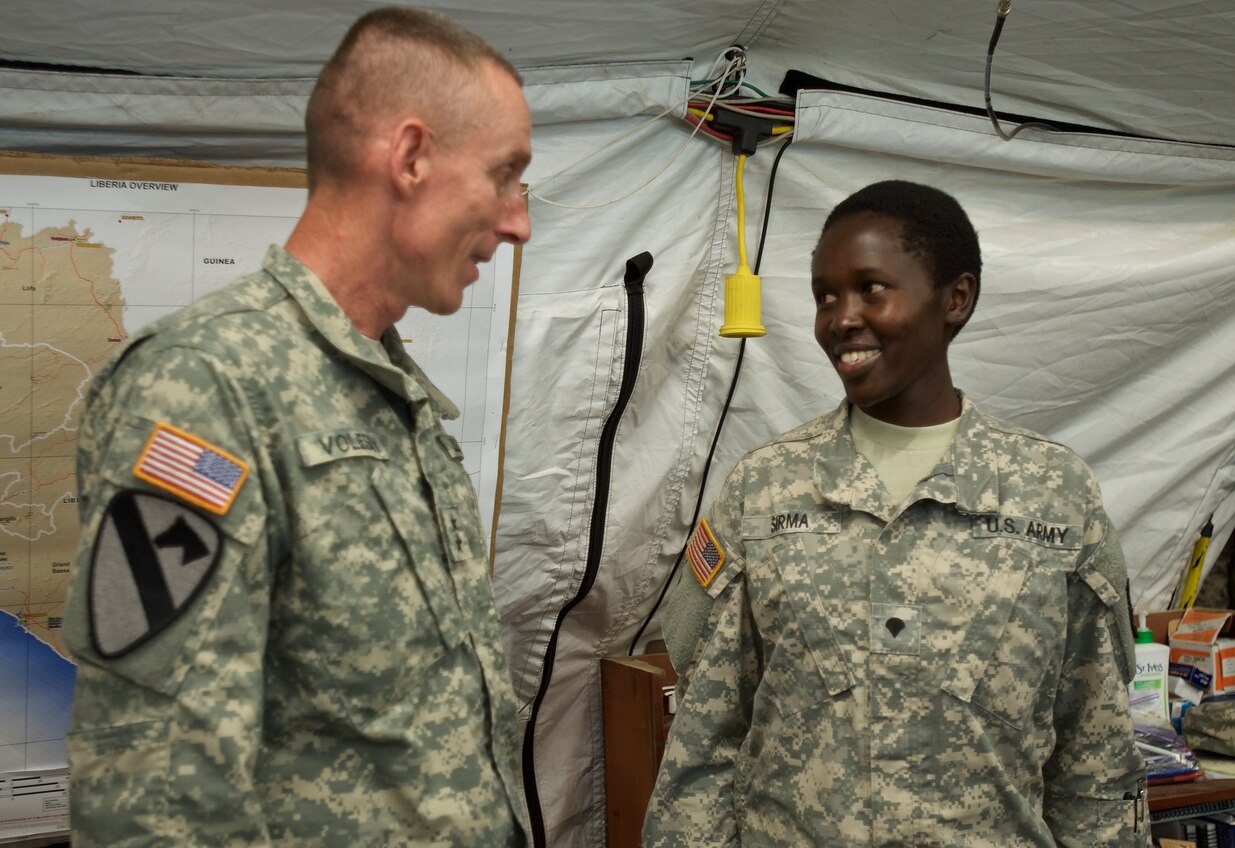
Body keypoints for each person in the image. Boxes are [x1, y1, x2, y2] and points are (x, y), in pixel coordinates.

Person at [63, 7, 532, 846]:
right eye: (504, 175)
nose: (517, 220)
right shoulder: (206, 387)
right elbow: (155, 794)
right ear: (412, 157)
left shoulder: (392, 392)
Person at [644, 180, 1150, 847]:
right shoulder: (764, 492)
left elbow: (1095, 758)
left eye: (871, 289)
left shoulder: (1053, 496)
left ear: (956, 300)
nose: (841, 318)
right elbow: (702, 752)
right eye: (826, 296)